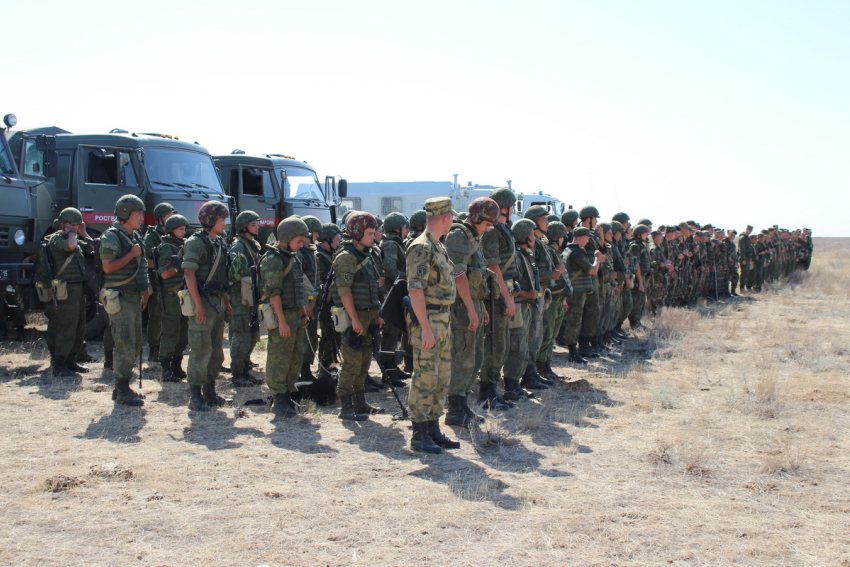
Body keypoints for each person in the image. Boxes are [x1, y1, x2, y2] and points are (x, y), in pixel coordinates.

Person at [406, 196, 458, 453]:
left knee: (441, 377)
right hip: (428, 319)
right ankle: (419, 434)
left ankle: (433, 429)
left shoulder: (438, 245)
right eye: (451, 219)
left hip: (442, 319)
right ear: (445, 218)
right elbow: (415, 290)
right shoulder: (421, 247)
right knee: (425, 376)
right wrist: (425, 327)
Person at [443, 197, 499, 426]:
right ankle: (455, 409)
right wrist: (470, 308)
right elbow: (458, 275)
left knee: (474, 357)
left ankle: (463, 405)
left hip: (472, 303)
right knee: (462, 357)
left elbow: (477, 277)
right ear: (476, 218)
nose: (488, 229)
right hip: (460, 307)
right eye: (486, 224)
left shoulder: (472, 237)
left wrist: (480, 307)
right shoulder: (458, 235)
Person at [331, 212, 384, 421]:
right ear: (357, 233)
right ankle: (346, 407)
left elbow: (371, 290)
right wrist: (354, 319)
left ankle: (360, 403)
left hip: (366, 317)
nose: (374, 237)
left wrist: (376, 315)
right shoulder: (346, 257)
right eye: (370, 233)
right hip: (353, 318)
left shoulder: (366, 255)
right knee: (351, 363)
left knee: (363, 362)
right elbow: (344, 291)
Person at [182, 201, 233, 412]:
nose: (224, 223)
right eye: (221, 219)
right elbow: (189, 274)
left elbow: (222, 277)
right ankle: (195, 396)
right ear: (211, 220)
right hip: (203, 302)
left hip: (217, 303)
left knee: (216, 352)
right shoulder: (196, 243)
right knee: (200, 350)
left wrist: (227, 303)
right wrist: (198, 305)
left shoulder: (218, 243)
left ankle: (210, 393)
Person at [99, 195, 150, 406]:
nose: (141, 218)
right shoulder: (112, 237)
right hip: (119, 298)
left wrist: (145, 292)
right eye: (138, 214)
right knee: (125, 343)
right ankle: (122, 391)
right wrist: (130, 254)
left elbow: (142, 266)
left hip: (132, 297)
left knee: (135, 342)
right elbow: (108, 267)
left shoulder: (135, 236)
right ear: (125, 214)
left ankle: (122, 387)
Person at [258, 217, 312, 417]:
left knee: (294, 357)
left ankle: (287, 395)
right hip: (282, 315)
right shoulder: (274, 260)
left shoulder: (293, 257)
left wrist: (303, 315)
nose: (302, 244)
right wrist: (281, 321)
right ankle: (278, 399)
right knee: (279, 358)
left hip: (294, 315)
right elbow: (274, 294)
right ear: (287, 238)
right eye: (299, 240)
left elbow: (297, 290)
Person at [39, 207, 95, 376]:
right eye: (73, 224)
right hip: (64, 289)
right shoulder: (56, 239)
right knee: (66, 326)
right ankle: (59, 363)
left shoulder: (77, 238)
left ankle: (72, 360)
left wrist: (84, 234)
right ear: (63, 224)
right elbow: (70, 245)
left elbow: (94, 247)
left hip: (77, 288)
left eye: (78, 223)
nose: (76, 227)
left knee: (78, 325)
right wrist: (71, 232)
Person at [478, 188, 520, 410]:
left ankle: (492, 389)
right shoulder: (493, 231)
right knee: (495, 344)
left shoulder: (503, 230)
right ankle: (487, 393)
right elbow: (493, 266)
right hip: (495, 296)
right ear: (505, 208)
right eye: (511, 207)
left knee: (502, 343)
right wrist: (506, 296)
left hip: (503, 293)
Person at [228, 210, 264, 387]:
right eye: (253, 224)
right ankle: (237, 374)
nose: (257, 227)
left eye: (257, 224)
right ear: (244, 227)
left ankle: (245, 370)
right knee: (241, 335)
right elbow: (234, 273)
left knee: (251, 335)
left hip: (251, 295)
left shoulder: (251, 244)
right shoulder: (239, 246)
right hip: (240, 297)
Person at [156, 214, 190, 382]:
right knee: (171, 332)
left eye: (184, 229)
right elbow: (163, 273)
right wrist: (180, 267)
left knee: (183, 333)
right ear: (171, 230)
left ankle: (177, 366)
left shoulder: (181, 245)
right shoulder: (167, 247)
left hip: (183, 295)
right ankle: (166, 369)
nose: (184, 232)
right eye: (181, 229)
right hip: (171, 295)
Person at [379, 211, 412, 381]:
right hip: (390, 293)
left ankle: (392, 365)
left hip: (394, 292)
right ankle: (387, 368)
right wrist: (411, 277)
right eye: (405, 227)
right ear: (397, 229)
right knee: (390, 332)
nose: (407, 230)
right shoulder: (391, 245)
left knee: (394, 332)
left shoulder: (396, 244)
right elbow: (391, 270)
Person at [143, 202, 177, 362]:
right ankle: (154, 347)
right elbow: (144, 260)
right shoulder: (151, 236)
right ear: (162, 218)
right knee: (156, 315)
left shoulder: (174, 235)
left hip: (171, 282)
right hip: (156, 280)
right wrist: (161, 266)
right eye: (170, 215)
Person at [563, 227, 601, 363]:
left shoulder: (569, 250)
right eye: (587, 238)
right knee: (574, 322)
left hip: (576, 291)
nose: (588, 241)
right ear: (579, 237)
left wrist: (588, 286)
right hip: (576, 293)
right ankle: (573, 353)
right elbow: (592, 270)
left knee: (575, 321)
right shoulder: (577, 253)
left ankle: (575, 350)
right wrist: (597, 259)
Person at [298, 215, 323, 382]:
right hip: (304, 303)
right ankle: (303, 370)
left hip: (313, 301)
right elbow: (298, 280)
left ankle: (307, 368)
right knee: (304, 338)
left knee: (312, 336)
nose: (317, 236)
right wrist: (304, 303)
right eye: (315, 232)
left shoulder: (312, 252)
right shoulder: (300, 254)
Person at [316, 222, 342, 374]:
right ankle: (327, 369)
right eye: (337, 240)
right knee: (329, 338)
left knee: (334, 338)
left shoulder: (331, 256)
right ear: (328, 240)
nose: (339, 243)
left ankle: (331, 369)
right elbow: (319, 282)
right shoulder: (319, 257)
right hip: (326, 305)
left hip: (334, 304)